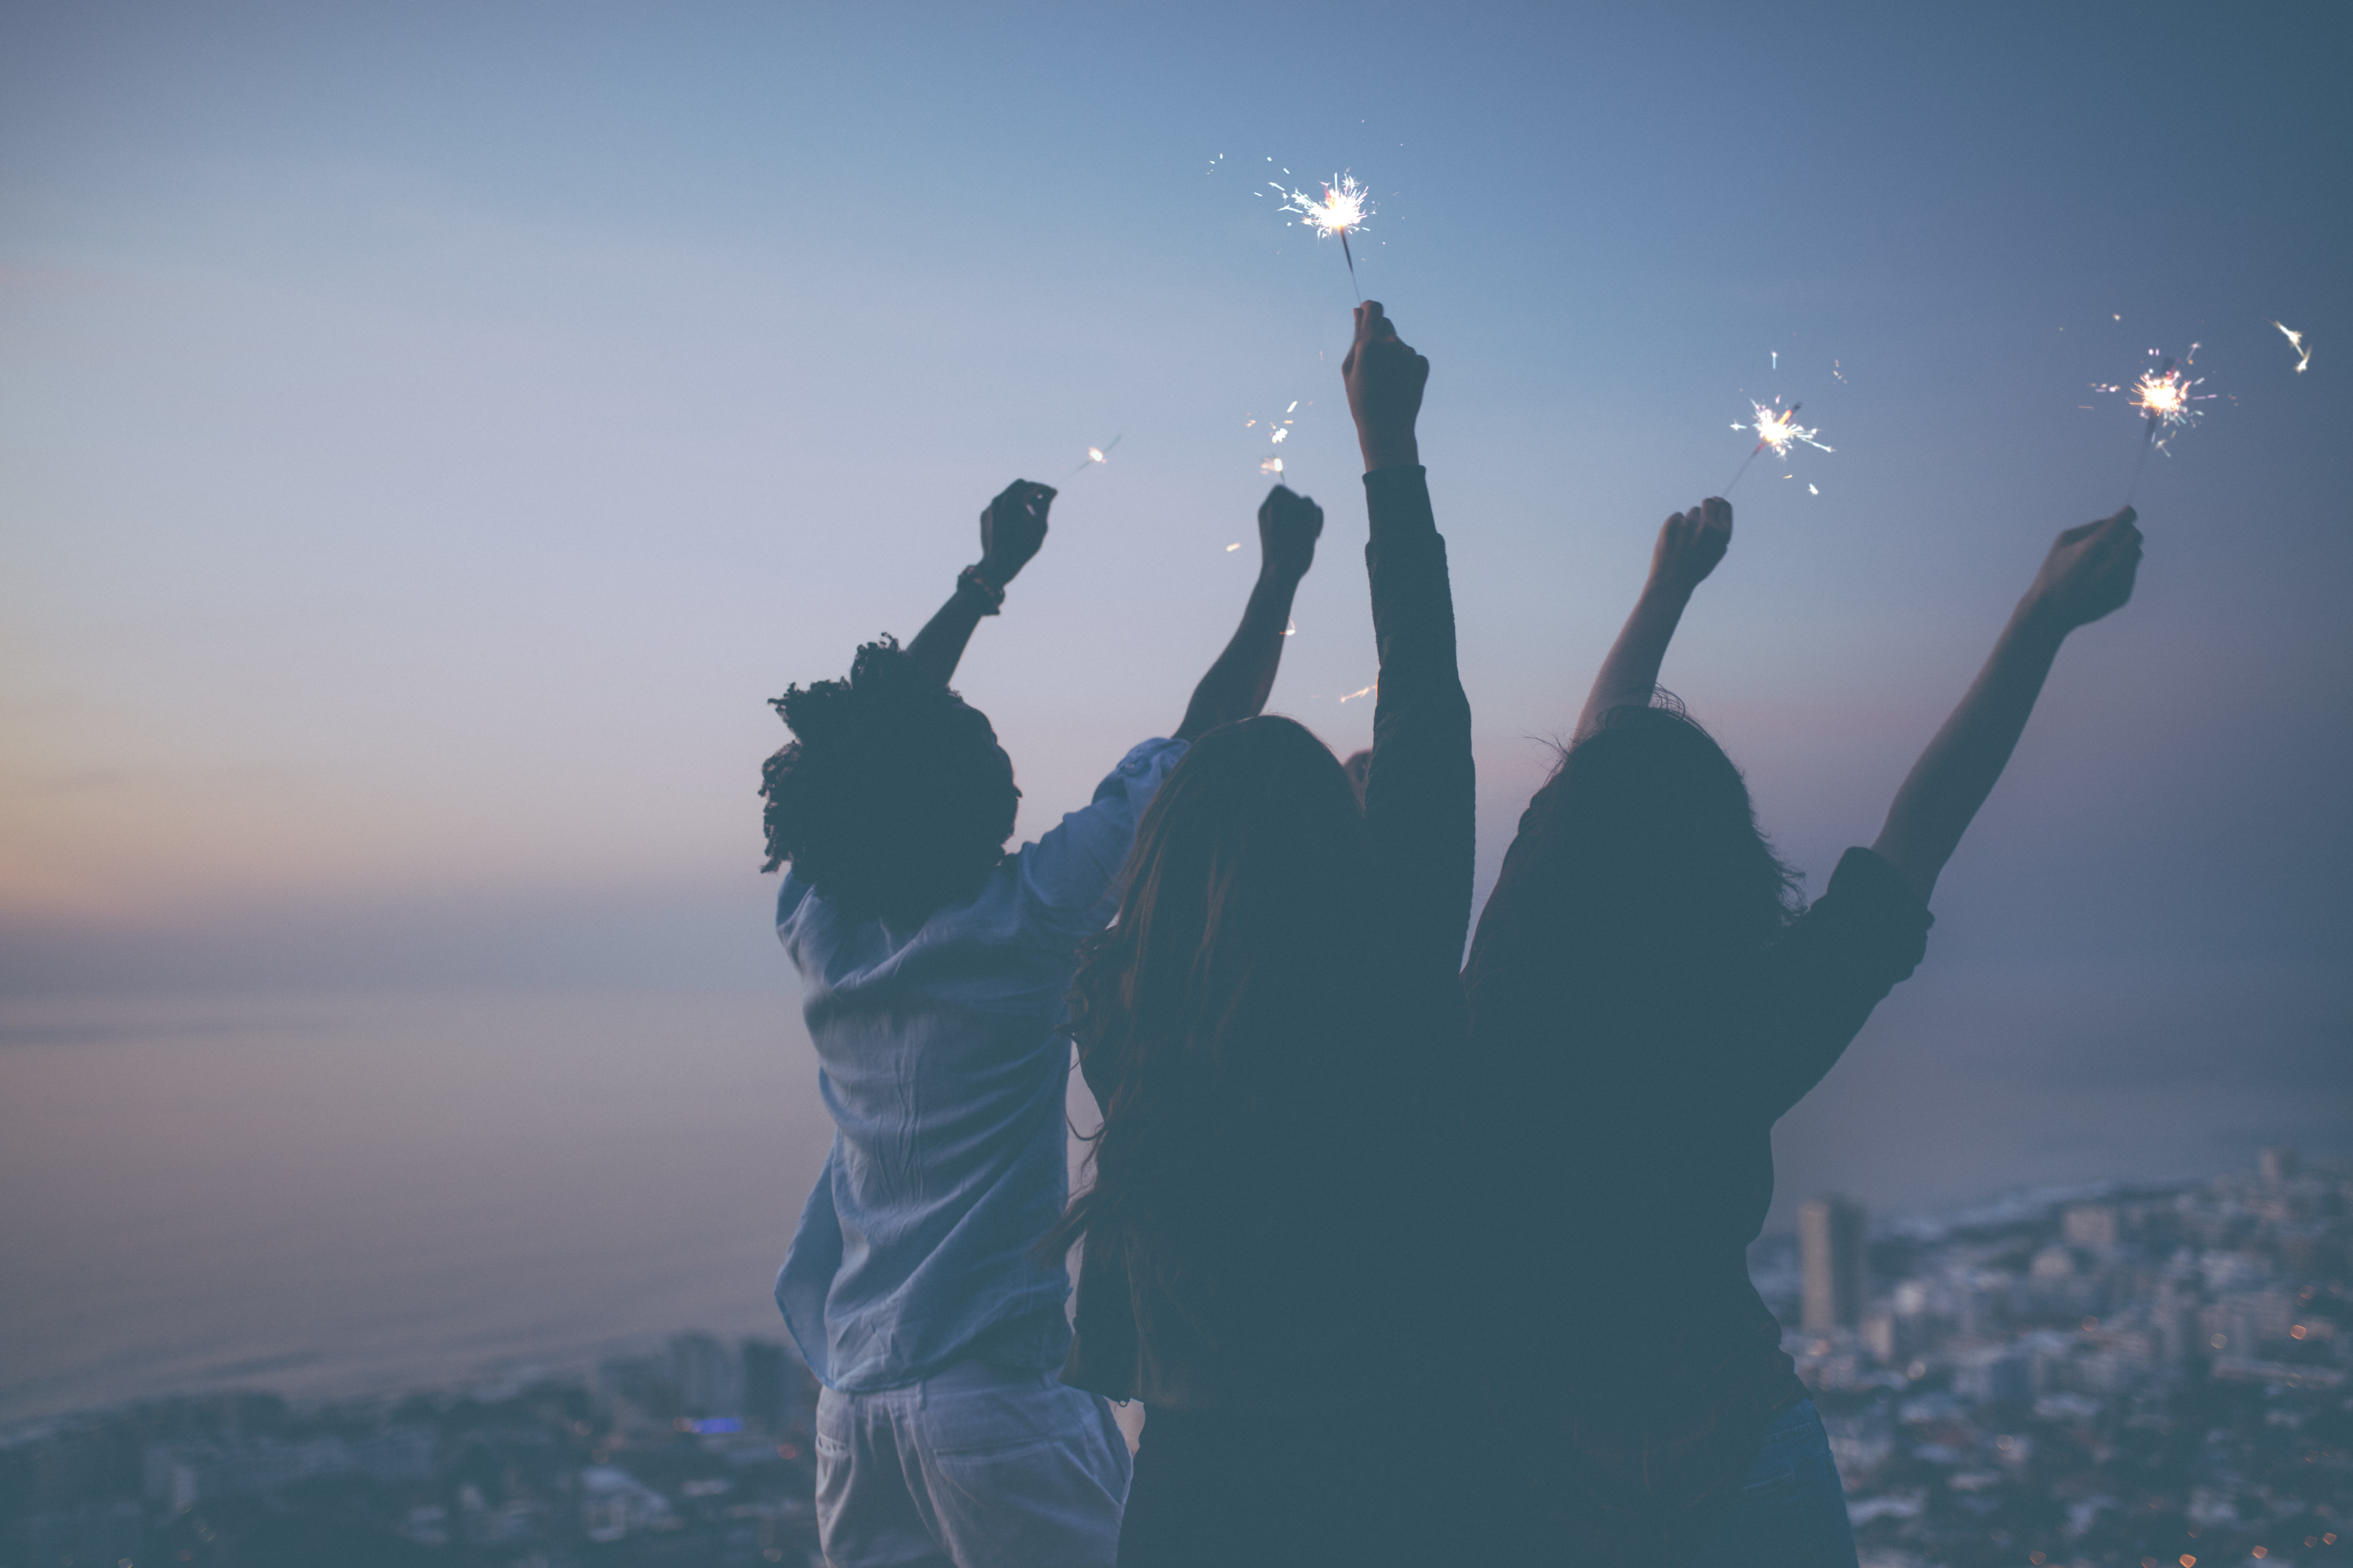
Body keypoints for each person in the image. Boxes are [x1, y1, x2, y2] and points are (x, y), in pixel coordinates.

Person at [1465, 497, 2145, 1565]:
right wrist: (2038, 618)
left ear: (1553, 854)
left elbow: (1589, 791)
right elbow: (1918, 830)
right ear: (1728, 875)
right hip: (1743, 1455)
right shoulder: (1740, 1029)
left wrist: (1666, 590)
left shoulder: (1502, 1000)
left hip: (1534, 1476)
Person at [760, 474, 1328, 1568]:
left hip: (850, 1415)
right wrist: (1277, 579)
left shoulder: (817, 924)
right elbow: (1204, 738)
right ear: (986, 800)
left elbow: (858, 756)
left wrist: (982, 585)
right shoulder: (1029, 920)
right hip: (992, 1415)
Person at [1052, 301, 1481, 1568]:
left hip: (1188, 1508)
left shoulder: (1119, 1023)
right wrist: (1386, 455)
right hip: (1394, 1492)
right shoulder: (1383, 996)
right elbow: (1423, 719)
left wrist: (1278, 581)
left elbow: (1174, 788)